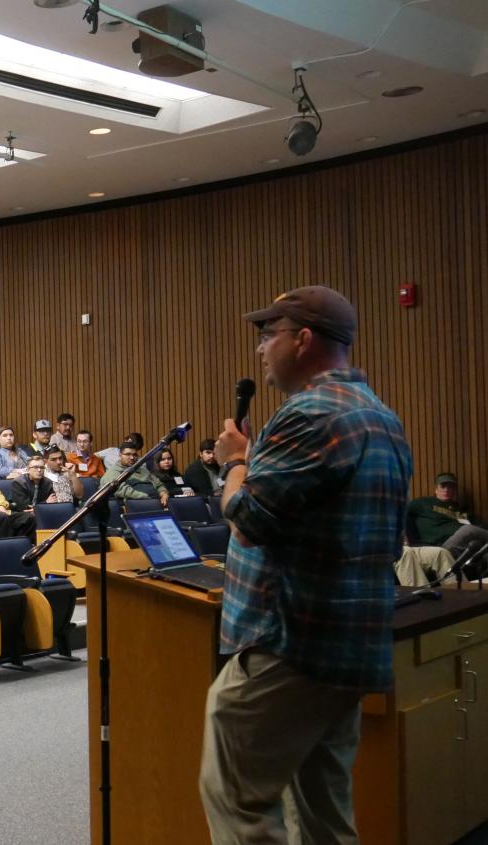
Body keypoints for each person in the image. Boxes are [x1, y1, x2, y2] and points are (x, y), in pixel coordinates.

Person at [201, 285, 413, 844]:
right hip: (346, 643)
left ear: (304, 339)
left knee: (238, 800)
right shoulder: (382, 417)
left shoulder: (311, 414)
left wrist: (235, 464)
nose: (260, 350)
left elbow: (248, 517)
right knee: (323, 815)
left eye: (268, 335)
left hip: (289, 643)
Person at [405, 472, 487, 559]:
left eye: (450, 487)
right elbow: (401, 511)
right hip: (440, 546)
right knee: (468, 529)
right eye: (443, 486)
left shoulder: (459, 510)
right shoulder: (424, 503)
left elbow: (479, 526)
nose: (446, 490)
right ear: (436, 489)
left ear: (455, 490)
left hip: (465, 544)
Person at [102, 441, 169, 506]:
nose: (132, 458)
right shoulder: (113, 472)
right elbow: (124, 491)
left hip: (156, 501)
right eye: (128, 454)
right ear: (120, 455)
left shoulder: (143, 469)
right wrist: (149, 498)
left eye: (134, 454)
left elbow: (159, 484)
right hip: (135, 504)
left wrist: (164, 493)